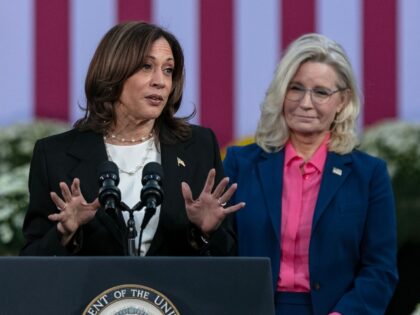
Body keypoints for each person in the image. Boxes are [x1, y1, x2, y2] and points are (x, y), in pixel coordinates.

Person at [20, 21, 244, 257]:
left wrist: (206, 232)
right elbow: (32, 262)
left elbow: (227, 257)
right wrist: (64, 231)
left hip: (173, 293)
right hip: (92, 293)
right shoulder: (54, 155)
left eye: (168, 70)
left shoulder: (198, 146)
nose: (161, 81)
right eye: (147, 66)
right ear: (113, 72)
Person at [223, 33, 398, 315]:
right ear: (281, 93)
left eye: (320, 92)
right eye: (296, 88)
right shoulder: (239, 164)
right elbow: (218, 255)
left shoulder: (369, 175)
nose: (305, 103)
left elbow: (380, 269)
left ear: (343, 100)